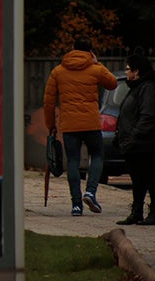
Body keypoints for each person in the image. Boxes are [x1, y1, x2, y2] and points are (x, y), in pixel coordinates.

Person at [42, 36, 118, 216]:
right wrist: (97, 63)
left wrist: (51, 125)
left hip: (69, 125)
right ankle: (90, 192)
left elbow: (48, 102)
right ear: (90, 51)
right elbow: (112, 83)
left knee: (73, 161)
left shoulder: (58, 71)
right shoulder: (95, 69)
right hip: (91, 123)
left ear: (72, 48)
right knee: (97, 155)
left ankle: (76, 205)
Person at [115, 54, 155, 225]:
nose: (126, 72)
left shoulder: (148, 88)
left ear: (136, 72)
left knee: (149, 176)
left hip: (144, 143)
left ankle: (154, 213)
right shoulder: (137, 87)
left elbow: (148, 116)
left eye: (128, 69)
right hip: (135, 144)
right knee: (138, 179)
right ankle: (137, 211)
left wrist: (134, 136)